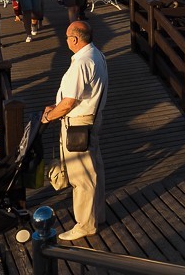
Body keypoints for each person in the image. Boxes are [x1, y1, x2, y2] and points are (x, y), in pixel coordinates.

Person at [41, 21, 108, 241]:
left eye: (68, 37)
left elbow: (69, 102)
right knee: (94, 170)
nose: (66, 40)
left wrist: (49, 116)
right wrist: (55, 105)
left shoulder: (82, 63)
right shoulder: (97, 54)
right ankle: (98, 215)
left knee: (81, 177)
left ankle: (85, 225)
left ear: (76, 39)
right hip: (92, 119)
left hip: (79, 123)